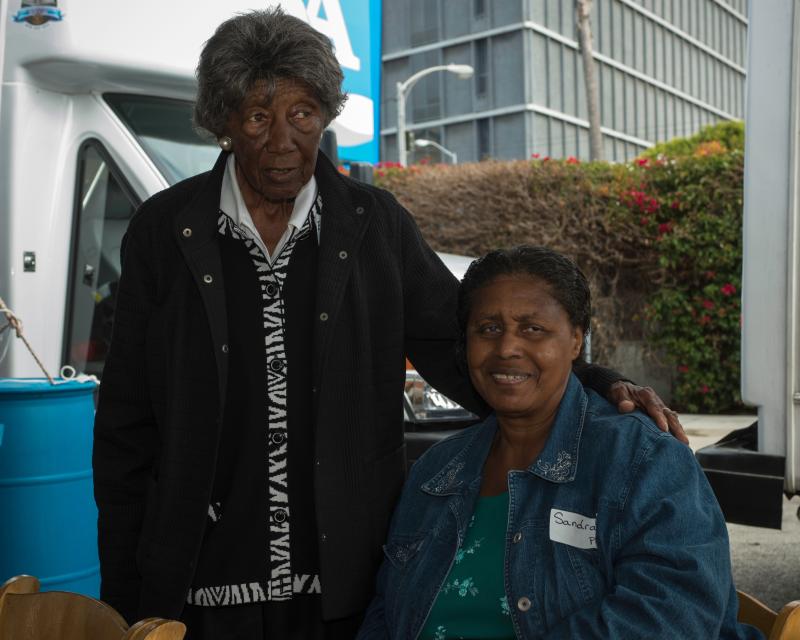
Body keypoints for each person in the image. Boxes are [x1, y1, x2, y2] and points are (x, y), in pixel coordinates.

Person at [92, 9, 685, 639]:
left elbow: (464, 350)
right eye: (259, 116)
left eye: (302, 114)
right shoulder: (166, 231)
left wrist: (597, 385)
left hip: (342, 585)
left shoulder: (372, 224)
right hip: (201, 585)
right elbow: (127, 423)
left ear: (325, 114)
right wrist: (125, 598)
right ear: (224, 122)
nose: (283, 140)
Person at [357, 246, 761, 640]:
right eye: (488, 328)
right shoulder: (435, 470)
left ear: (576, 341)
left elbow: (674, 615)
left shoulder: (643, 458)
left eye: (532, 329)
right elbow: (385, 612)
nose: (506, 347)